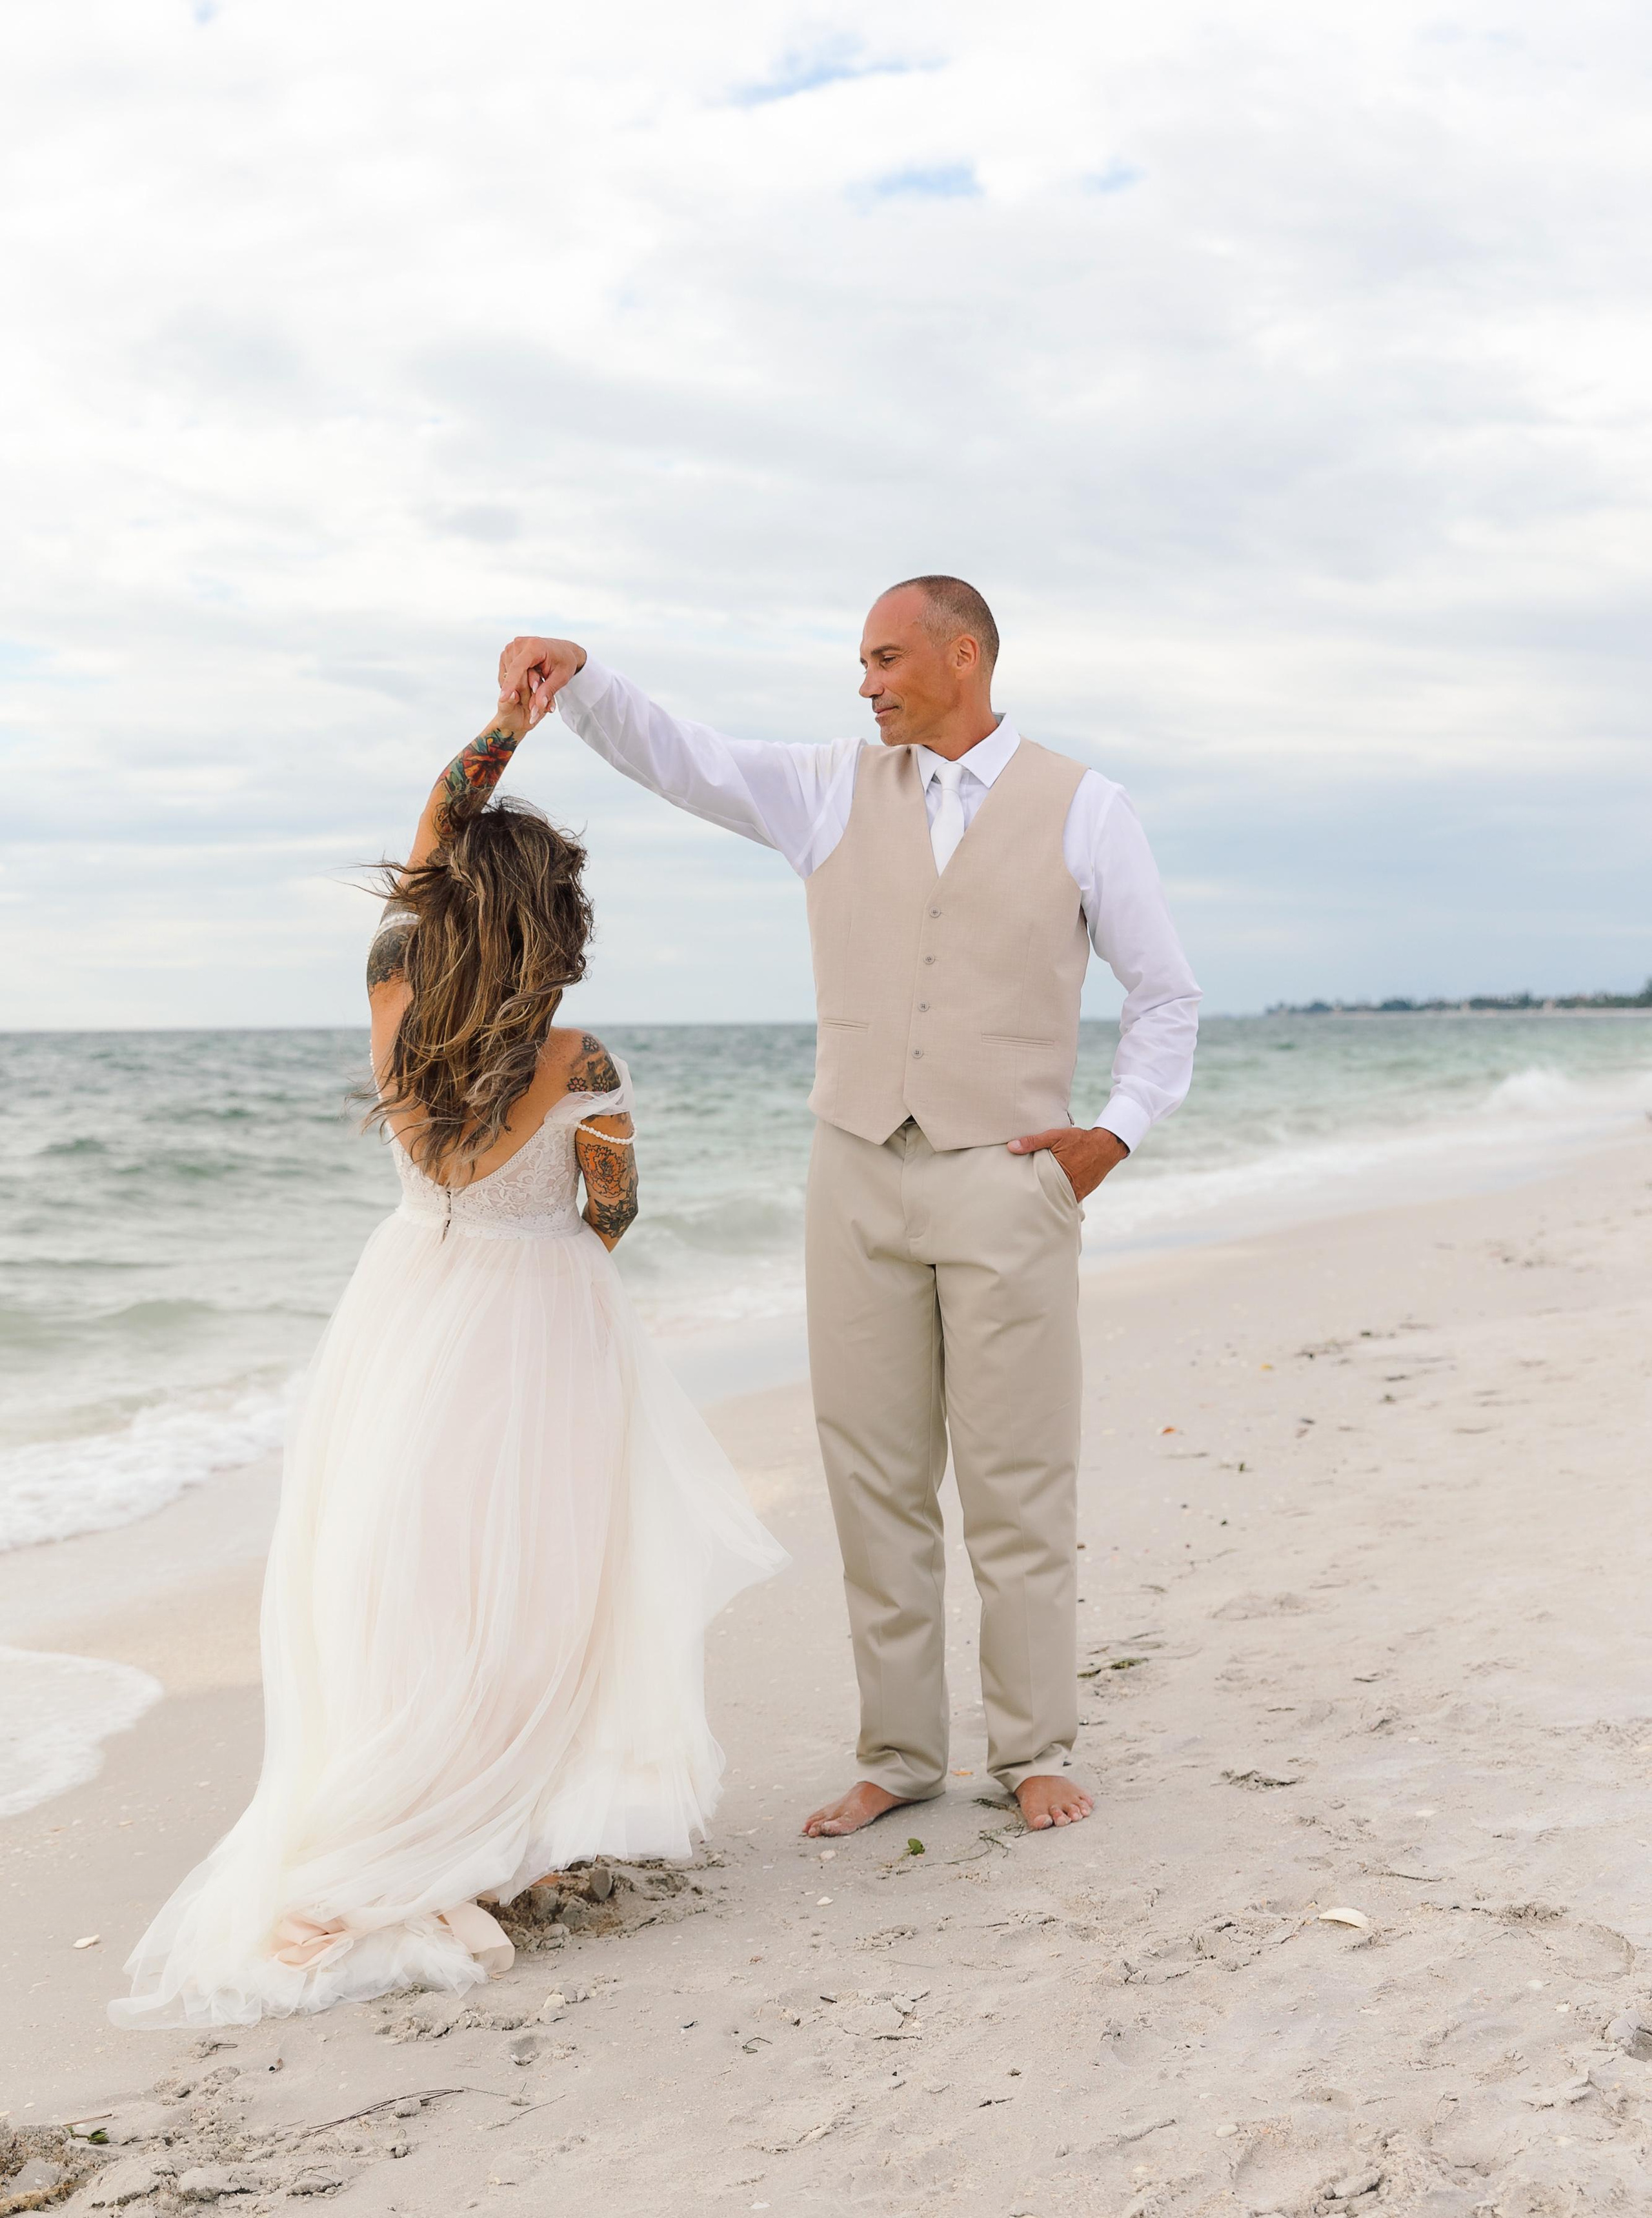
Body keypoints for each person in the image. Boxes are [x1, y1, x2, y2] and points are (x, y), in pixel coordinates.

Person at [112, 676, 785, 2028]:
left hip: (409, 1306)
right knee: (535, 1584)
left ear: (445, 912)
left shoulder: (392, 987)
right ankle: (494, 1822)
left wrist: (504, 727)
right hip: (541, 1317)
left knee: (408, 1576)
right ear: (556, 920)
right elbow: (614, 1215)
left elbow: (434, 846)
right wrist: (561, 1207)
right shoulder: (580, 1060)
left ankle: (432, 1811)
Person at [497, 577, 1200, 1840]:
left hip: (1008, 1175)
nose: (864, 683)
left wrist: (1111, 1135)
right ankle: (901, 1754)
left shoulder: (1085, 808)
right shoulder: (829, 789)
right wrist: (584, 681)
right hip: (856, 1170)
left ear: (962, 656)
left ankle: (1032, 1748)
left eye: (883, 658)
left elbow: (1165, 995)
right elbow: (687, 760)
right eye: (862, 664)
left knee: (1017, 1480)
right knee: (872, 1479)